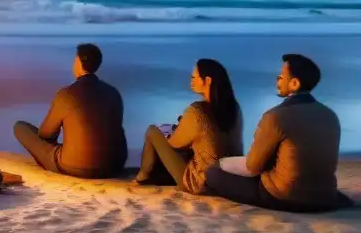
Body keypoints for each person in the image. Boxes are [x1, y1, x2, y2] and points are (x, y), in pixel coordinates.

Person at [205, 53, 346, 212]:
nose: (277, 80)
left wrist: (222, 163)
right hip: (325, 197)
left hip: (285, 196)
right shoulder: (329, 115)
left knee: (212, 173)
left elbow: (253, 167)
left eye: (281, 76)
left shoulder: (276, 116)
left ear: (294, 83)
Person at [13, 43, 127, 178]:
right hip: (114, 165)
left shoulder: (67, 94)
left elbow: (46, 134)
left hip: (75, 166)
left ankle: (71, 156)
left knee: (20, 127)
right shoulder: (113, 93)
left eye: (74, 60)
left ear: (78, 62)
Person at [134, 59, 244, 194]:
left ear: (207, 81)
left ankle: (143, 175)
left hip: (203, 183)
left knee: (153, 131)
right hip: (231, 179)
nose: (191, 80)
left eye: (194, 77)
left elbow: (174, 143)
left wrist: (169, 132)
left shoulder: (197, 110)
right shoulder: (234, 109)